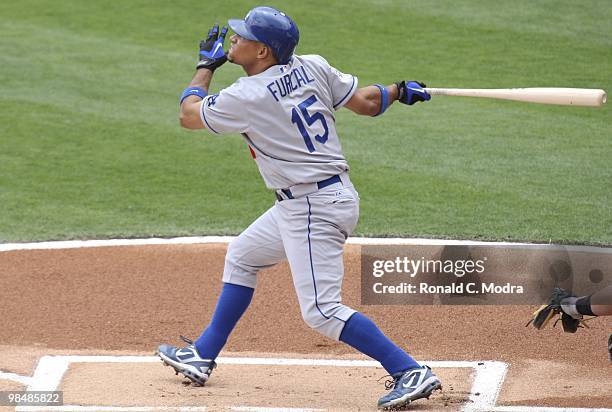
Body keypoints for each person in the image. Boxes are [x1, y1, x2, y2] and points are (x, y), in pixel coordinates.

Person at [157, 6, 439, 409]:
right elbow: (364, 102)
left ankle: (409, 370)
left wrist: (205, 66)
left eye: (242, 37)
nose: (233, 39)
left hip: (312, 207)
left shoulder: (246, 95)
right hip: (321, 199)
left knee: (322, 311)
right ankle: (202, 353)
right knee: (242, 256)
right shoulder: (313, 67)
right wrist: (398, 90)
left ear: (263, 52)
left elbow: (189, 116)